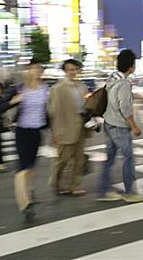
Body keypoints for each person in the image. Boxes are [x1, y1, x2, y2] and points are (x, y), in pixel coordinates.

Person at [97, 49, 143, 203]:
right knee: (128, 158)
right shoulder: (123, 83)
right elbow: (124, 108)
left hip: (109, 123)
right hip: (119, 126)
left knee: (110, 158)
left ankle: (104, 190)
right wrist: (134, 126)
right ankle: (130, 192)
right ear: (131, 66)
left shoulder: (112, 78)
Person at [6, 59, 49, 222]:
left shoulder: (45, 90)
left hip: (37, 133)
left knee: (31, 169)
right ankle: (24, 205)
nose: (36, 71)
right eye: (33, 68)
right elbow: (0, 106)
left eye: (39, 68)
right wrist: (14, 101)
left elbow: (49, 112)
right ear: (27, 71)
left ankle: (28, 194)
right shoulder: (19, 89)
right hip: (22, 132)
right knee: (23, 169)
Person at [49, 59, 88, 197]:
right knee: (62, 160)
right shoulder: (57, 89)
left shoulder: (83, 87)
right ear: (65, 71)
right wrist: (56, 132)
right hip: (65, 128)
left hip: (81, 128)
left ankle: (75, 186)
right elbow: (55, 112)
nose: (73, 72)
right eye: (70, 69)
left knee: (79, 159)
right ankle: (56, 183)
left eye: (75, 69)